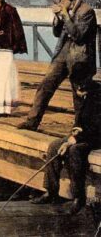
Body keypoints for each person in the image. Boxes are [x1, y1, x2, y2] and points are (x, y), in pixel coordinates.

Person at [18, 0, 98, 131]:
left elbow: (78, 36)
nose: (59, 3)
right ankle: (32, 121)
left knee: (79, 94)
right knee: (46, 85)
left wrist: (65, 15)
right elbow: (56, 33)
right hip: (64, 51)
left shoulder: (87, 11)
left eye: (60, 0)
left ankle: (80, 128)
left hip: (80, 56)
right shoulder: (65, 9)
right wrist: (57, 16)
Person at [30, 72, 100, 215]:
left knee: (75, 151)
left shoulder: (98, 99)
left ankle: (78, 197)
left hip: (95, 138)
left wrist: (73, 140)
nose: (77, 93)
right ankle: (51, 191)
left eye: (78, 90)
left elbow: (96, 128)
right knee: (54, 146)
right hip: (82, 134)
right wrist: (74, 132)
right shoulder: (85, 96)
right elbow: (80, 121)